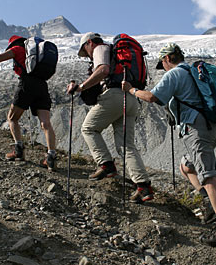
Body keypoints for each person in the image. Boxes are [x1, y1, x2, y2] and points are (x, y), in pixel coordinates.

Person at [121, 43, 216, 248]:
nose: (162, 67)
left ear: (167, 59)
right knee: (187, 167)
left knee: (208, 176)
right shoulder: (193, 72)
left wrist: (132, 90)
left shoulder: (174, 74)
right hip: (211, 127)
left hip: (196, 130)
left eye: (162, 63)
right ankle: (210, 205)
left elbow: (153, 97)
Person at [66, 32, 154, 203]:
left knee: (88, 128)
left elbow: (103, 70)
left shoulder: (100, 48)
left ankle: (106, 165)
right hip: (130, 98)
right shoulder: (116, 55)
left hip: (113, 96)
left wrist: (81, 87)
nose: (87, 55)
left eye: (85, 50)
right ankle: (143, 187)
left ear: (89, 43)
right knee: (126, 145)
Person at [0, 35, 57, 171]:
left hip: (27, 84)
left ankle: (19, 150)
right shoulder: (34, 53)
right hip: (42, 85)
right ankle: (51, 158)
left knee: (12, 118)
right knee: (46, 123)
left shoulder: (18, 49)